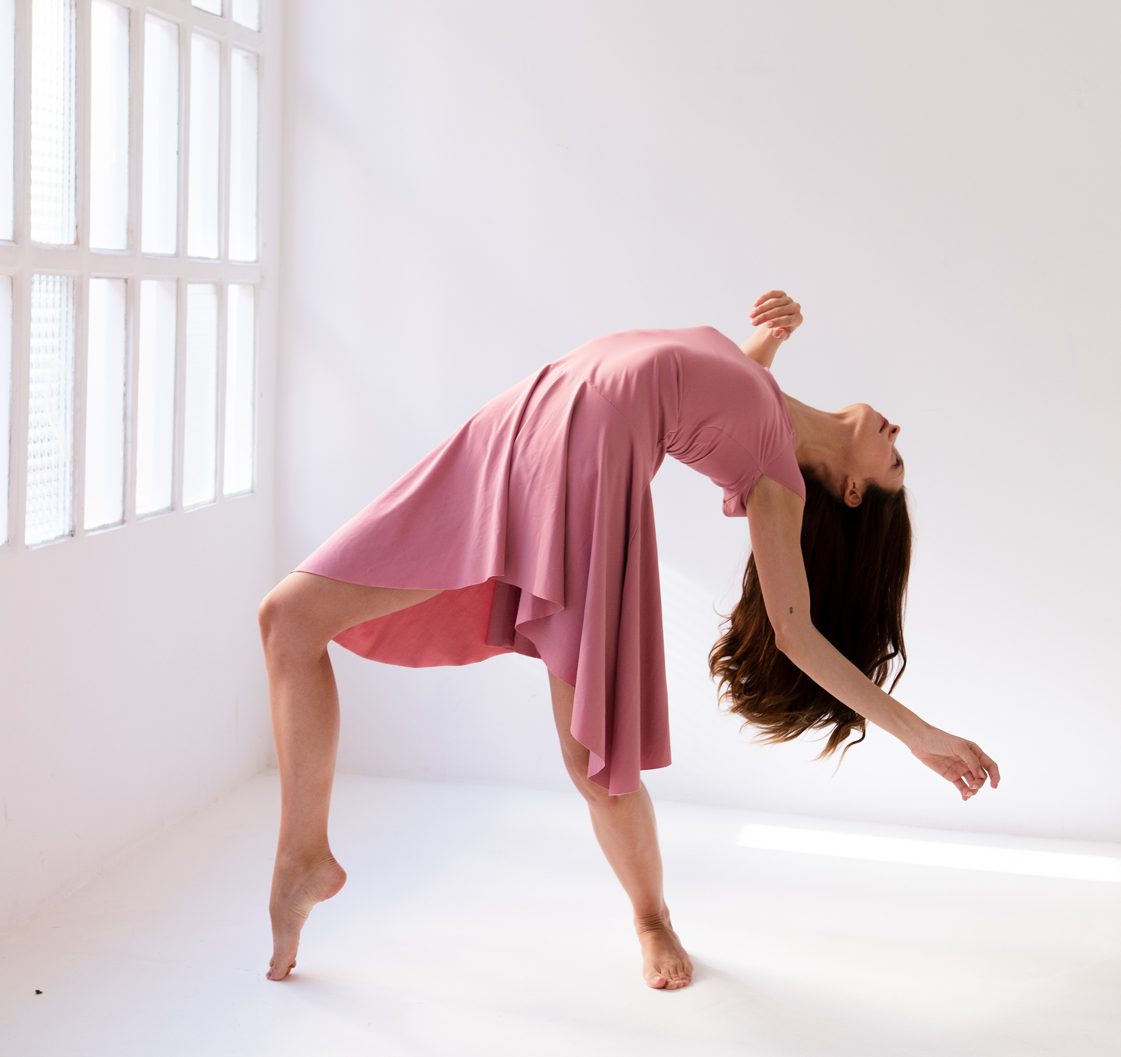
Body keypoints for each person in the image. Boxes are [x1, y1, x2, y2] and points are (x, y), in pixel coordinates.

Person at [256, 291, 1000, 989]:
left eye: (894, 463)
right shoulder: (764, 395)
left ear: (852, 491)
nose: (896, 436)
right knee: (287, 619)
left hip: (583, 469)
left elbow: (795, 632)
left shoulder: (779, 483)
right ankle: (306, 852)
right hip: (528, 414)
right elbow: (705, 391)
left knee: (596, 763)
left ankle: (652, 918)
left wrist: (920, 734)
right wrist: (768, 339)